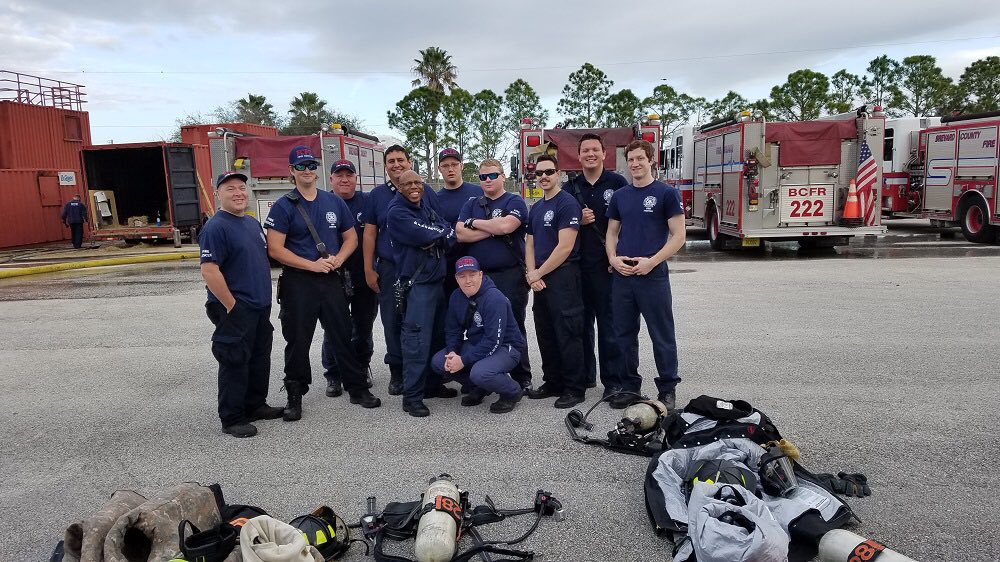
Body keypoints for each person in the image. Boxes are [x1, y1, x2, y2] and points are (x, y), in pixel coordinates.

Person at [264, 145, 381, 421]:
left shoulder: (333, 202)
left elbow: (351, 237)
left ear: (317, 171)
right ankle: (294, 394)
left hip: (331, 280)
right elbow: (275, 249)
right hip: (299, 282)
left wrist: (339, 259)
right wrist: (311, 265)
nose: (307, 171)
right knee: (298, 341)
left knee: (342, 334)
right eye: (301, 166)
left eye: (311, 166)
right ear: (291, 171)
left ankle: (357, 388)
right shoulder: (284, 206)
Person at [199, 171, 284, 438]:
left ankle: (255, 404)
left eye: (241, 188)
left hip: (259, 306)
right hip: (235, 308)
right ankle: (232, 417)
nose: (238, 193)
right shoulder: (216, 227)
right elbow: (210, 270)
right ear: (218, 194)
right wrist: (231, 306)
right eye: (230, 189)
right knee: (234, 360)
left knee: (259, 358)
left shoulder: (250, 223)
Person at [605, 140, 686, 410]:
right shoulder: (621, 196)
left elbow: (678, 236)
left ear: (652, 160)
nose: (635, 163)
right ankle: (630, 387)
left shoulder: (666, 194)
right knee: (623, 334)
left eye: (640, 158)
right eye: (631, 159)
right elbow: (612, 233)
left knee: (661, 333)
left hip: (652, 274)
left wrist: (652, 262)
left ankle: (667, 389)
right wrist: (613, 259)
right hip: (623, 275)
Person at [361, 145, 440, 396]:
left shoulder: (425, 192)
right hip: (390, 268)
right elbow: (370, 233)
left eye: (400, 160)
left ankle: (427, 374)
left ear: (409, 162)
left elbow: (438, 225)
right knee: (392, 320)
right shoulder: (376, 196)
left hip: (421, 267)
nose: (396, 164)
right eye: (391, 161)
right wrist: (368, 268)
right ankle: (397, 371)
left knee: (422, 321)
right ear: (385, 166)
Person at [455, 159, 533, 390]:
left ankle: (522, 377)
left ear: (503, 176)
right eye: (482, 177)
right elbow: (460, 234)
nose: (487, 180)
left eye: (492, 175)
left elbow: (506, 227)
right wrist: (492, 228)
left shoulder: (514, 200)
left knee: (514, 326)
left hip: (510, 274)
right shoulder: (471, 203)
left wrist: (476, 224)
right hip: (479, 278)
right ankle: (484, 379)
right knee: (480, 328)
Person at [386, 170, 457, 417]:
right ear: (399, 187)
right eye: (408, 183)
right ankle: (412, 397)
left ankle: (432, 386)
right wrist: (438, 233)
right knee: (416, 343)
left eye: (418, 182)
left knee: (438, 338)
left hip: (437, 284)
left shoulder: (425, 207)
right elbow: (428, 233)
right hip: (417, 287)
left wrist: (437, 234)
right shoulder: (397, 212)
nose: (414, 187)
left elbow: (449, 233)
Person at [564, 133, 629, 397]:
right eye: (585, 151)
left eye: (595, 150)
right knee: (579, 327)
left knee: (609, 327)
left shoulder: (618, 183)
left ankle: (612, 383)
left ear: (604, 154)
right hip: (577, 268)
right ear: (578, 156)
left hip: (608, 268)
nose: (590, 154)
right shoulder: (569, 188)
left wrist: (620, 257)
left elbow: (628, 224)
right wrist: (576, 220)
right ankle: (584, 378)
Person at [524, 155, 588, 408]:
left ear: (559, 173)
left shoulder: (567, 204)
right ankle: (553, 382)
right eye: (539, 173)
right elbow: (529, 242)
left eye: (549, 171)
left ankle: (574, 387)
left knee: (568, 332)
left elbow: (565, 247)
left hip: (563, 276)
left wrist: (538, 273)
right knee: (546, 331)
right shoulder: (537, 207)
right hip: (539, 277)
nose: (543, 176)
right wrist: (531, 273)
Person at [431, 256, 526, 414]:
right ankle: (479, 387)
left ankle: (512, 391)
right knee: (440, 362)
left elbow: (493, 341)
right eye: (462, 276)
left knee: (480, 373)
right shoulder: (456, 296)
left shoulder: (494, 298)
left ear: (481, 275)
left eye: (472, 275)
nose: (468, 281)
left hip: (505, 347)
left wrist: (463, 360)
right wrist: (453, 352)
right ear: (456, 278)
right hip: (478, 343)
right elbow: (453, 330)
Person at [320, 160, 379, 398]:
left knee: (364, 326)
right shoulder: (322, 202)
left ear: (356, 178)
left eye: (349, 175)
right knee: (334, 327)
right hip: (333, 275)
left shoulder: (368, 202)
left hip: (364, 273)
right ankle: (333, 374)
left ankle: (361, 367)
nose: (344, 179)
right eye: (339, 175)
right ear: (331, 179)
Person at [435, 148, 483, 298]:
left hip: (478, 261)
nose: (450, 169)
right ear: (439, 169)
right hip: (450, 266)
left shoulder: (479, 193)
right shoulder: (435, 200)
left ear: (462, 165)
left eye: (454, 164)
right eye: (445, 166)